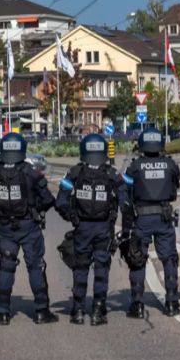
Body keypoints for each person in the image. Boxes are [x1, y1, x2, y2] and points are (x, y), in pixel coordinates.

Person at [0, 132, 57, 325]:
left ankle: (3, 312)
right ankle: (41, 311)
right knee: (35, 267)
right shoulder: (29, 171)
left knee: (6, 268)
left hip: (5, 227)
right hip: (29, 226)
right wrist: (35, 208)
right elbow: (48, 199)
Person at [55, 134, 118, 325]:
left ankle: (78, 310)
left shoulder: (74, 173)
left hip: (82, 227)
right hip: (103, 227)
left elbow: (60, 202)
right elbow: (125, 199)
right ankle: (99, 310)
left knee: (80, 268)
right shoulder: (111, 173)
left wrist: (73, 218)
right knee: (101, 269)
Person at [119, 127, 180, 318]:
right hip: (164, 218)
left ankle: (137, 305)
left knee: (137, 259)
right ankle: (172, 303)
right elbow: (175, 187)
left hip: (142, 219)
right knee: (169, 259)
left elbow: (124, 192)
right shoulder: (170, 164)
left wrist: (127, 220)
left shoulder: (135, 166)